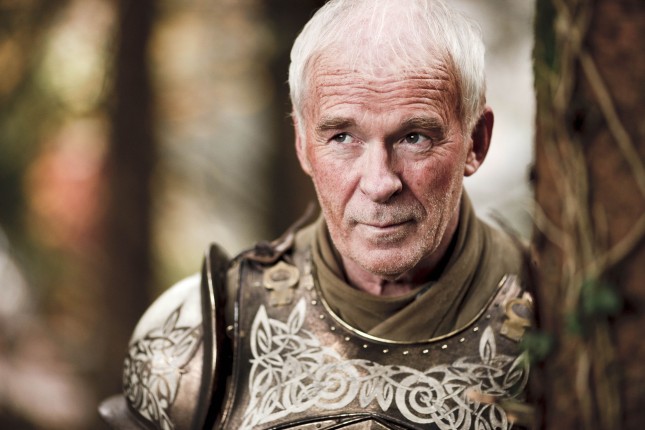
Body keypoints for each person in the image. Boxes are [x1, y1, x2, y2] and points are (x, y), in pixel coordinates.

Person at [99, 0, 534, 428]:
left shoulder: (555, 319)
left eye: (414, 137)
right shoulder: (198, 338)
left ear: (476, 143)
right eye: (343, 137)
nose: (379, 183)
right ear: (303, 144)